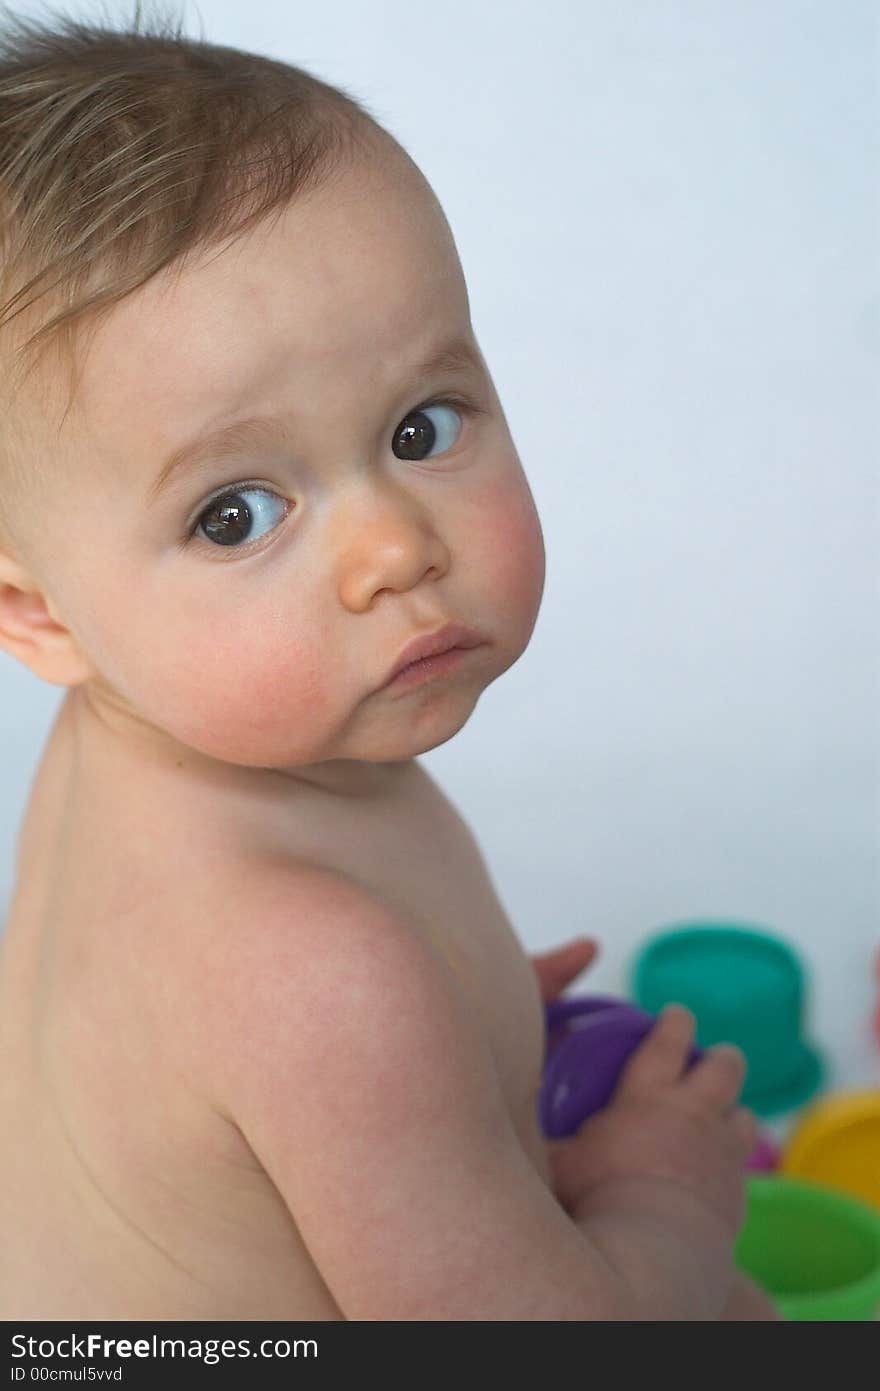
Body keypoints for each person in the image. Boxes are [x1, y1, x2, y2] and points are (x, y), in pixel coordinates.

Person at [0, 5, 777, 1319]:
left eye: (422, 425)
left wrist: (443, 1055)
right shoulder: (316, 976)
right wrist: (668, 1198)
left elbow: (185, 1082)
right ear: (39, 616)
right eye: (235, 513)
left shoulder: (149, 752)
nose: (393, 551)